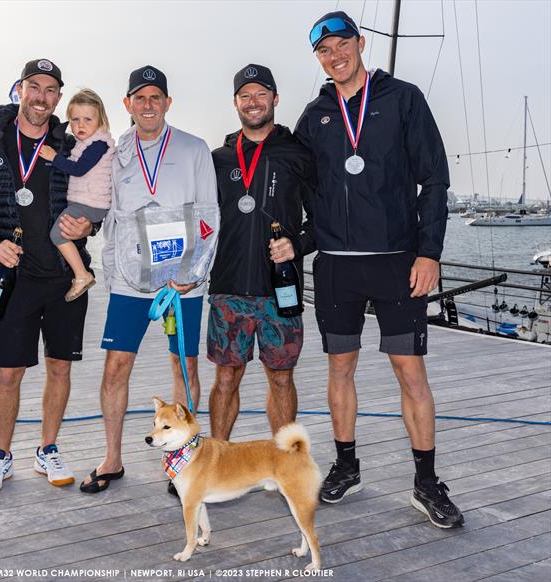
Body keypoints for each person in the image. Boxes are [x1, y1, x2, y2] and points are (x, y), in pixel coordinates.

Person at [295, 12, 463, 528]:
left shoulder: (403, 99)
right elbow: (297, 184)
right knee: (339, 369)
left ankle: (426, 482)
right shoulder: (314, 115)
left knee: (409, 371)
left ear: (360, 43)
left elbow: (434, 179)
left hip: (397, 261)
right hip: (337, 267)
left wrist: (429, 252)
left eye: (342, 44)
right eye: (324, 50)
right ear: (318, 58)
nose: (335, 55)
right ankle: (347, 466)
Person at [79, 65, 218, 494]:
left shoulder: (195, 148)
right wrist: (108, 271)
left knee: (184, 365)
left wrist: (192, 275)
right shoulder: (114, 152)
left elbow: (209, 216)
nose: (148, 105)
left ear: (167, 103)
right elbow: (106, 217)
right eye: (139, 98)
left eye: (155, 97)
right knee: (115, 367)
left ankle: (186, 463)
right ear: (127, 105)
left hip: (182, 282)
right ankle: (113, 458)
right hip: (129, 282)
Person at [0, 59, 96, 494]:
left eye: (50, 89)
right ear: (19, 89)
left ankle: (48, 448)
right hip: (14, 277)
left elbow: (98, 194)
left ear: (59, 97)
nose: (41, 96)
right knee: (8, 373)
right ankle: (0, 456)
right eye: (33, 86)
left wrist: (90, 226)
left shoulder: (71, 141)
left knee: (60, 367)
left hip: (66, 278)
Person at [207, 64, 316, 440]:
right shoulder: (218, 158)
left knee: (282, 378)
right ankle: (217, 458)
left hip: (280, 290)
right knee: (226, 377)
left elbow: (322, 222)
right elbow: (199, 221)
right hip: (228, 287)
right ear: (235, 102)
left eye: (261, 94)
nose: (253, 103)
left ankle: (286, 463)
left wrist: (297, 244)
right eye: (245, 96)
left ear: (275, 99)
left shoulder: (298, 154)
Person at [38, 88, 115, 302]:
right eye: (75, 119)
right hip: (86, 200)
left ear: (101, 121)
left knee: (57, 234)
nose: (80, 125)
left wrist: (54, 157)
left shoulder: (98, 145)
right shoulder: (85, 143)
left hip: (90, 202)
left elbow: (79, 169)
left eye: (88, 119)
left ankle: (82, 275)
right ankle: (80, 274)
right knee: (60, 233)